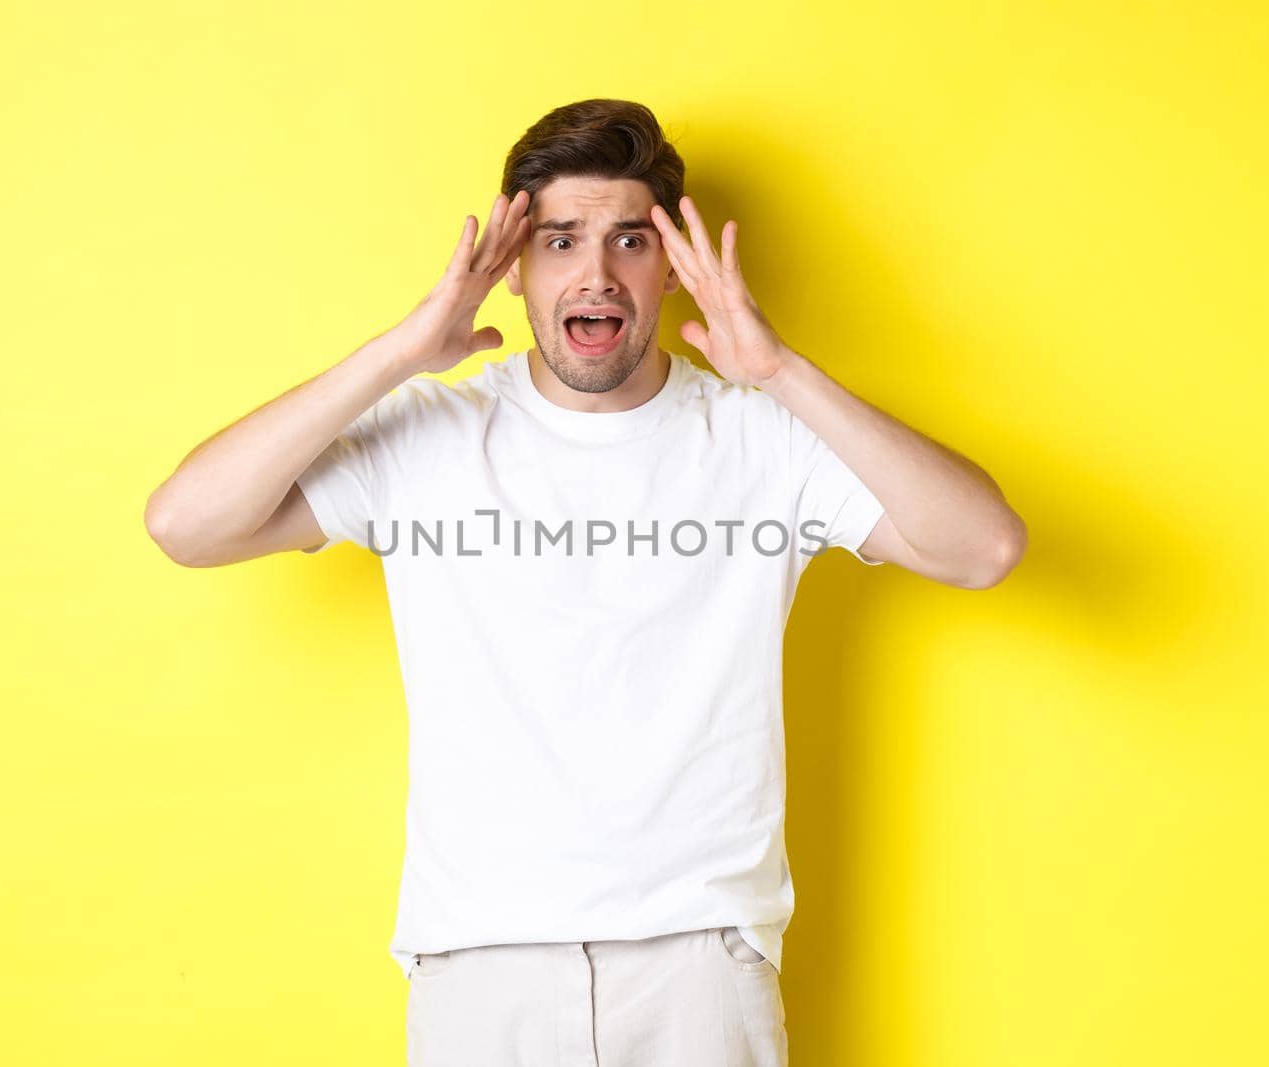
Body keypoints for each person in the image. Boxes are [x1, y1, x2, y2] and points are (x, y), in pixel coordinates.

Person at [145, 98, 1026, 1066]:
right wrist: (401, 351)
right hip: (480, 961)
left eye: (630, 240)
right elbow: (187, 524)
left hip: (698, 963)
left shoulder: (760, 438)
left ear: (673, 268)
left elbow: (980, 548)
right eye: (560, 240)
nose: (594, 272)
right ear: (514, 269)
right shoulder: (424, 439)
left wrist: (777, 370)